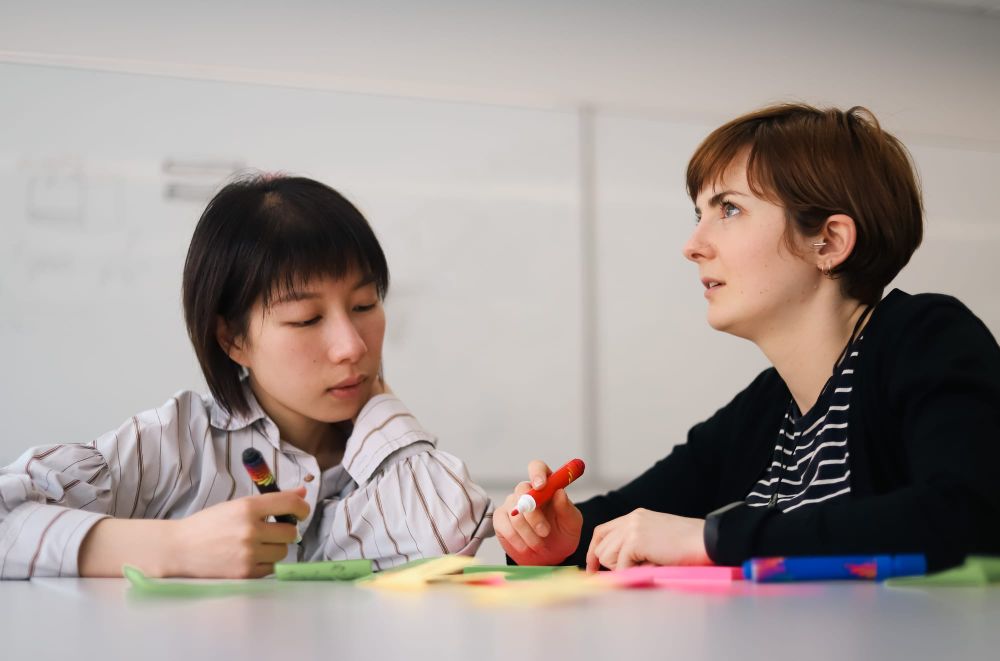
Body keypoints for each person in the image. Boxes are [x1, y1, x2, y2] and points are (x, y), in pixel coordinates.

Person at [495, 103, 1000, 573]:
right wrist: (561, 538)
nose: (693, 246)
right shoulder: (769, 405)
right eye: (699, 215)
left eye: (729, 209)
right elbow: (632, 520)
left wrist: (713, 539)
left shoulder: (926, 337)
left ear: (829, 241)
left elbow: (966, 513)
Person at [0, 174, 492, 579]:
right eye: (306, 319)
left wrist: (382, 406)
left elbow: (451, 531)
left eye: (364, 305)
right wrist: (173, 547)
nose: (353, 346)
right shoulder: (177, 444)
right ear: (233, 338)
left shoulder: (387, 458)